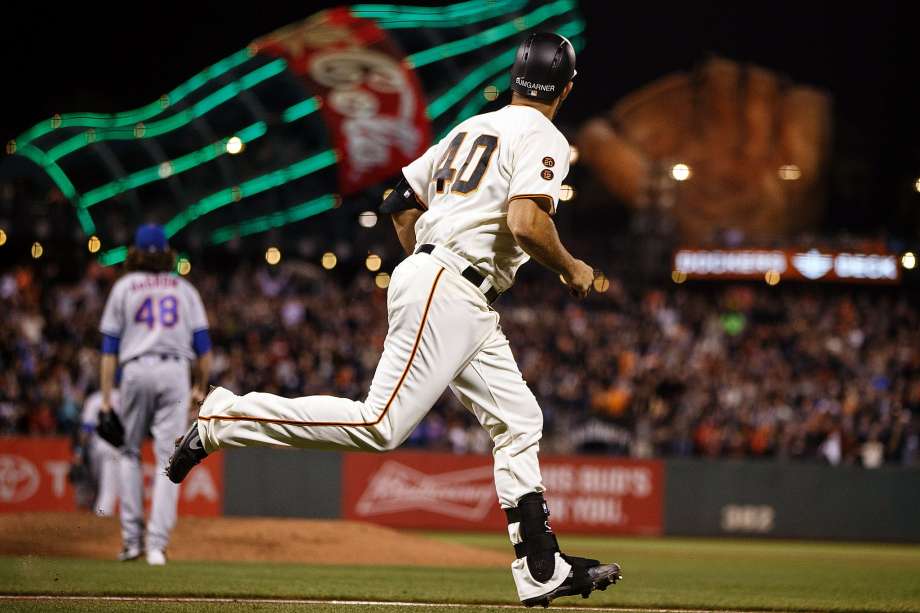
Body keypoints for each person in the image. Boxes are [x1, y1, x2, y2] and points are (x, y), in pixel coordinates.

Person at [168, 32, 621, 606]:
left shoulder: (470, 128)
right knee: (380, 424)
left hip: (454, 290)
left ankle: (540, 563)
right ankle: (222, 417)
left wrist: (425, 265)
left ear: (514, 77)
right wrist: (571, 267)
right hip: (451, 286)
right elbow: (528, 222)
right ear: (568, 87)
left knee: (520, 418)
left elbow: (399, 202)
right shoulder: (541, 134)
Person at [99, 224, 212, 565]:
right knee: (168, 458)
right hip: (174, 371)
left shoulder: (123, 287)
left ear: (134, 252)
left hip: (134, 369)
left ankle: (132, 541)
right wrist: (199, 386)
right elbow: (204, 348)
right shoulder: (184, 289)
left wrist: (106, 399)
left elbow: (109, 348)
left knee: (129, 452)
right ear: (166, 252)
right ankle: (156, 547)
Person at [79, 385, 122, 516]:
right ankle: (102, 517)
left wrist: (79, 451)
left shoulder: (94, 399)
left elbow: (86, 430)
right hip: (113, 447)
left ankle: (97, 514)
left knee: (97, 485)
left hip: (96, 448)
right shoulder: (121, 397)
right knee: (108, 488)